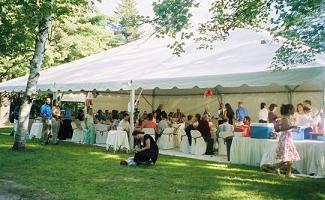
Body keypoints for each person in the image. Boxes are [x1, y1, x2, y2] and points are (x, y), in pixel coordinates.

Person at [274, 104, 300, 178]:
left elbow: (287, 129)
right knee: (289, 156)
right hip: (285, 139)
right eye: (293, 109)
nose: (294, 110)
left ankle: (287, 172)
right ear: (289, 110)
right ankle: (279, 168)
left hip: (288, 138)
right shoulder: (285, 118)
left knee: (290, 156)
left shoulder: (288, 118)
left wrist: (294, 130)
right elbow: (283, 129)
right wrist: (293, 126)